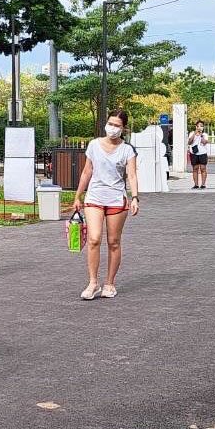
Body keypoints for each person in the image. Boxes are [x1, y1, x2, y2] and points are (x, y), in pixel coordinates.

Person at [72, 109, 140, 300]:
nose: (112, 128)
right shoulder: (94, 145)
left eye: (117, 125)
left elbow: (132, 175)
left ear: (123, 128)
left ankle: (109, 283)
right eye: (110, 123)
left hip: (116, 199)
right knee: (94, 238)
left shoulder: (128, 150)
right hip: (94, 198)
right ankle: (93, 283)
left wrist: (135, 197)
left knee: (113, 242)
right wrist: (78, 196)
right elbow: (87, 172)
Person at [188, 120, 210, 189]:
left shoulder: (204, 135)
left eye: (201, 126)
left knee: (203, 168)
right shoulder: (192, 133)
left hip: (202, 153)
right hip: (194, 153)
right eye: (198, 126)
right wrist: (195, 133)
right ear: (196, 126)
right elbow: (189, 142)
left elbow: (204, 142)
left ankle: (203, 184)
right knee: (195, 168)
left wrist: (200, 135)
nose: (200, 127)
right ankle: (196, 184)